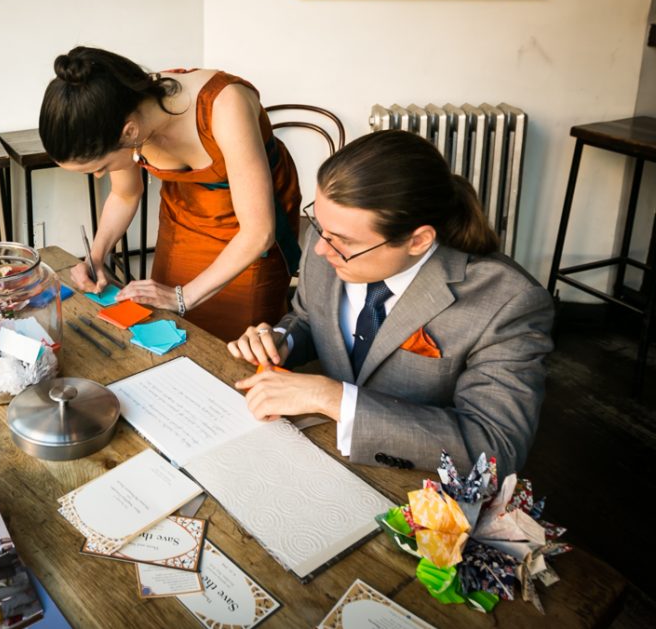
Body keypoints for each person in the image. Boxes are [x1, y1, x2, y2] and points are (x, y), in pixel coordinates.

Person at [228, 130, 553, 479]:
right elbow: (309, 316)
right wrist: (282, 338)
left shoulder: (509, 302)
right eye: (320, 225)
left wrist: (333, 398)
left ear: (418, 240)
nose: (321, 249)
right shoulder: (328, 242)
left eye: (343, 241)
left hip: (417, 484)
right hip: (317, 455)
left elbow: (496, 448)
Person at [39, 46, 302, 341]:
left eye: (100, 167)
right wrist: (96, 256)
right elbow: (125, 194)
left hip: (250, 234)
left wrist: (184, 296)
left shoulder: (226, 105)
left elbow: (258, 233)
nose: (100, 175)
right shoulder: (119, 113)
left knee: (242, 345)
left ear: (129, 132)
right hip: (183, 220)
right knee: (172, 332)